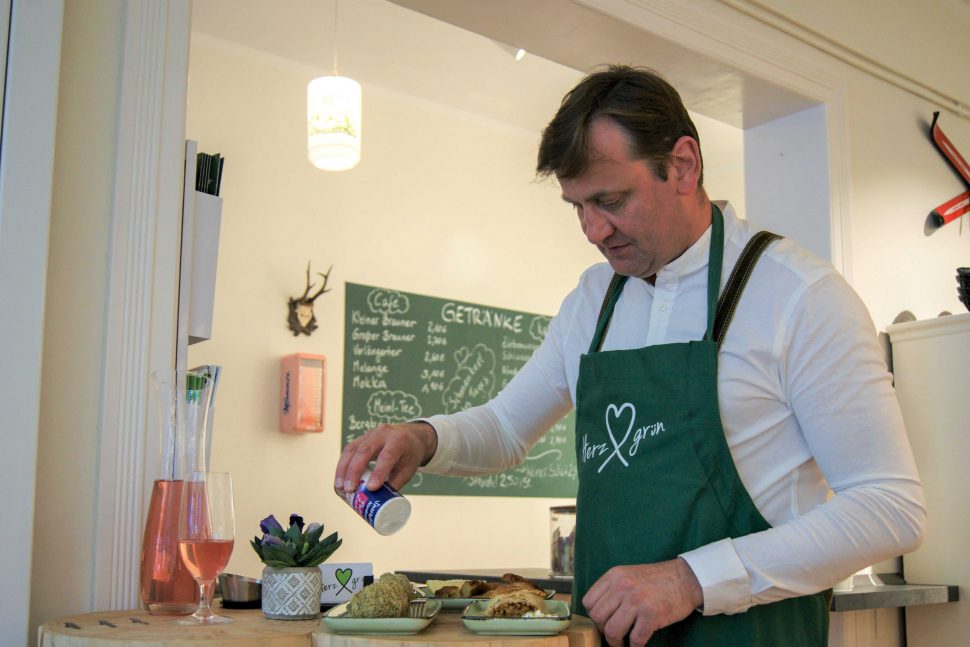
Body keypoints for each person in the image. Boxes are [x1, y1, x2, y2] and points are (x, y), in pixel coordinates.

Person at [335, 65, 925, 646]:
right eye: (577, 207)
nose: (593, 230)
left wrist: (692, 579)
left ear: (684, 165)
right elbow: (505, 428)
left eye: (610, 200)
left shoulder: (799, 296)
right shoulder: (592, 301)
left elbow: (888, 506)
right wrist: (423, 438)